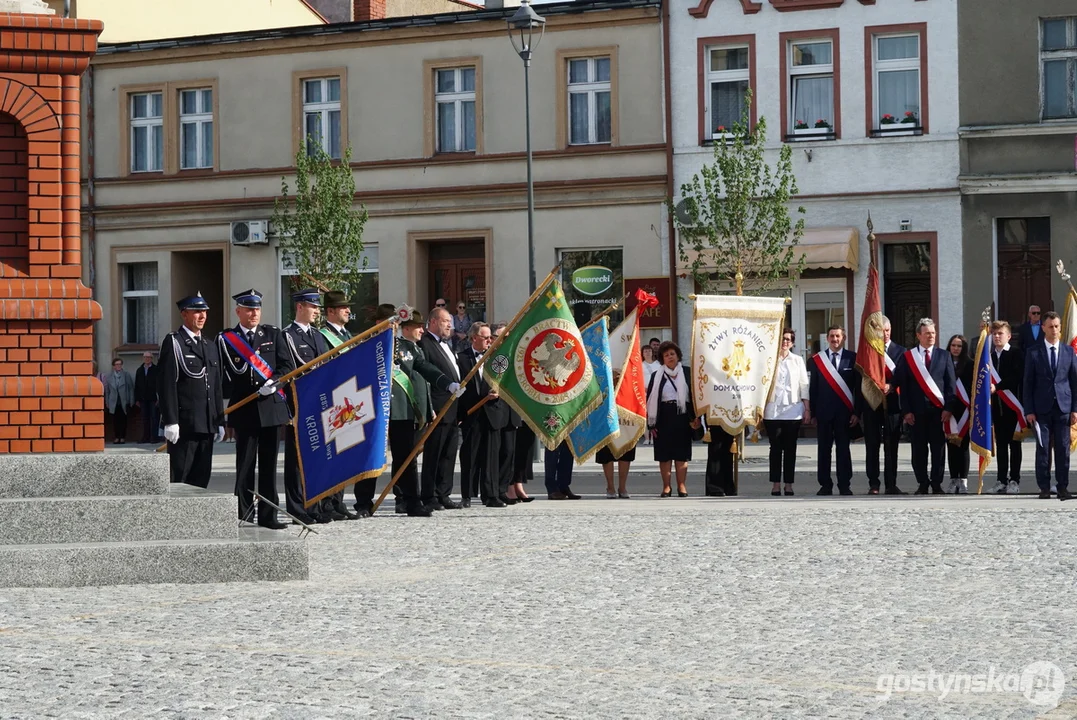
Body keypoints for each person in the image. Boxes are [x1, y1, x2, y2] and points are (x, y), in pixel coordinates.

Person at [216, 288, 293, 529]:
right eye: (249, 309)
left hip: (270, 408)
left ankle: (269, 516)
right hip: (244, 410)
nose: (254, 313)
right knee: (245, 465)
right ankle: (244, 513)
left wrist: (275, 382)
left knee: (269, 466)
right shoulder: (227, 339)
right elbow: (221, 376)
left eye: (257, 309)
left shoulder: (273, 333)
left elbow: (286, 366)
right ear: (238, 311)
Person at [381, 304, 459, 517]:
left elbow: (425, 370)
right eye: (417, 326)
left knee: (407, 456)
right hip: (389, 409)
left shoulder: (413, 349)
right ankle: (366, 502)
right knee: (382, 456)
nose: (421, 330)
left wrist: (446, 383)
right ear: (405, 328)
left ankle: (411, 500)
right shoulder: (390, 345)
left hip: (407, 411)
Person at [157, 292, 225, 489]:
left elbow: (215, 387)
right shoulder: (174, 342)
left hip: (207, 422)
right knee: (180, 477)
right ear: (184, 314)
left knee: (201, 477)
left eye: (204, 311)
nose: (202, 316)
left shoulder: (209, 346)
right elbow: (166, 384)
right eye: (197, 312)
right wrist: (170, 421)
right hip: (185, 424)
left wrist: (219, 420)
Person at [282, 288, 333, 524]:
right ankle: (296, 508)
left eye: (318, 307)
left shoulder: (317, 336)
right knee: (296, 462)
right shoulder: (287, 336)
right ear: (300, 307)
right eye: (313, 307)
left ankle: (314, 506)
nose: (316, 311)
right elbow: (288, 373)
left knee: (316, 459)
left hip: (319, 406)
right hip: (299, 406)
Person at [893, 318, 957, 495]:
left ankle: (936, 483)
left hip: (938, 412)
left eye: (933, 333)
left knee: (938, 450)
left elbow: (951, 385)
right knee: (918, 451)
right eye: (927, 333)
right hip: (916, 412)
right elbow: (903, 387)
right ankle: (922, 483)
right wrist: (906, 411)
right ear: (918, 335)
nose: (931, 336)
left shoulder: (944, 356)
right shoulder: (908, 357)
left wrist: (949, 408)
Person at [315, 290, 361, 520]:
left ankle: (339, 501)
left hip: (348, 400)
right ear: (330, 311)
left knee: (345, 453)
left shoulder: (347, 334)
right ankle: (326, 503)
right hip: (333, 401)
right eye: (344, 308)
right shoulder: (323, 336)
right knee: (332, 453)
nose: (348, 311)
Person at [1022, 310, 1077, 500]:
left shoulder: (1069, 352)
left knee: (1063, 449)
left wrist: (1075, 409)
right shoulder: (1033, 352)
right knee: (1043, 449)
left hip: (1063, 408)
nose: (1054, 330)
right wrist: (1028, 410)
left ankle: (1063, 487)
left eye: (1057, 326)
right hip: (1041, 409)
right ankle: (1044, 487)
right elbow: (1027, 383)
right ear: (1043, 327)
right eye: (1050, 326)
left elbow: (1074, 382)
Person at [457, 322, 511, 507]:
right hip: (472, 412)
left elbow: (507, 382)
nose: (490, 341)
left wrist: (499, 392)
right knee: (470, 457)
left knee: (491, 457)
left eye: (491, 337)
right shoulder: (461, 359)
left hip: (493, 412)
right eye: (486, 337)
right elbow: (460, 386)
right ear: (474, 338)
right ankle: (467, 495)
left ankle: (491, 495)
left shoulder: (497, 358)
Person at [418, 304, 465, 510]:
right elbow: (424, 376)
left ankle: (443, 493)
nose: (450, 325)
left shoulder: (448, 344)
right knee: (434, 453)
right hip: (437, 407)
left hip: (452, 407)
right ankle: (429, 495)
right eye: (446, 321)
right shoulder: (424, 343)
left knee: (448, 453)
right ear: (434, 321)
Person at [808, 325, 861, 496]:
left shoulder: (853, 358)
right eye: (831, 336)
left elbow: (858, 389)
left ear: (843, 338)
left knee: (843, 450)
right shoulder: (817, 360)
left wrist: (857, 413)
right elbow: (813, 388)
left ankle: (844, 484)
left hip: (845, 414)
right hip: (823, 413)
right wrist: (813, 413)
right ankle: (825, 484)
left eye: (838, 336)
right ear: (827, 338)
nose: (834, 339)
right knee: (824, 450)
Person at [860, 316, 907, 494]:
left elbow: (904, 376)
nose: (885, 334)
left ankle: (891, 483)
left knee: (891, 445)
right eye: (881, 331)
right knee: (872, 445)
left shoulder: (901, 351)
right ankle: (873, 483)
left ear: (891, 330)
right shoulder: (869, 351)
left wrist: (892, 385)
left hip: (893, 404)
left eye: (887, 331)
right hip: (872, 404)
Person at [647, 341, 699, 497]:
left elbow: (696, 397)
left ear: (678, 356)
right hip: (663, 416)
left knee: (681, 454)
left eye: (672, 354)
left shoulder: (688, 372)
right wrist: (651, 423)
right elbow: (650, 398)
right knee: (664, 454)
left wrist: (697, 417)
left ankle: (682, 486)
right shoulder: (657, 375)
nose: (670, 357)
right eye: (666, 355)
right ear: (662, 358)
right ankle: (666, 487)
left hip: (683, 416)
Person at [763, 328, 809, 496]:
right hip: (772, 410)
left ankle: (788, 484)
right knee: (775, 448)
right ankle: (775, 483)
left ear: (793, 342)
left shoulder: (797, 360)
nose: (785, 342)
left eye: (788, 339)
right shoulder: (769, 360)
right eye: (783, 339)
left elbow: (804, 384)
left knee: (790, 448)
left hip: (793, 409)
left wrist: (807, 408)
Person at [989, 321, 1025, 494]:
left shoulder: (1016, 353)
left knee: (1014, 444)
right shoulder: (989, 356)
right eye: (994, 333)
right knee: (1001, 445)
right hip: (997, 407)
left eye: (1000, 333)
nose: (997, 336)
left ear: (1008, 336)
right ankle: (1001, 479)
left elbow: (1016, 376)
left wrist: (998, 387)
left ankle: (1014, 480)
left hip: (1013, 406)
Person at [945, 334, 972, 494]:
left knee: (963, 446)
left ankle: (963, 480)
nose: (956, 348)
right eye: (953, 345)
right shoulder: (943, 361)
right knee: (951, 446)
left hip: (964, 410)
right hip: (949, 410)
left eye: (959, 346)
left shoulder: (970, 364)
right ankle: (953, 478)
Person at [104, 357, 135, 444]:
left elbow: (130, 388)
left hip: (123, 401)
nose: (118, 366)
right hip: (114, 401)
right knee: (115, 420)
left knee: (123, 420)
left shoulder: (126, 375)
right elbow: (107, 391)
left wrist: (131, 400)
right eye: (117, 364)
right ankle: (116, 437)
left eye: (120, 364)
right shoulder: (109, 376)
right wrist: (107, 402)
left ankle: (122, 437)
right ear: (113, 366)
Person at [133, 351, 160, 443]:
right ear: (143, 358)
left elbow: (159, 385)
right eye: (145, 357)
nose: (147, 359)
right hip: (142, 398)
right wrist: (136, 399)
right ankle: (145, 437)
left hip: (153, 398)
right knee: (145, 418)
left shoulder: (156, 369)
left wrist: (158, 398)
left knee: (154, 418)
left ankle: (154, 437)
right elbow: (136, 385)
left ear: (152, 359)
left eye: (149, 357)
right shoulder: (139, 370)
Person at [641, 345, 660, 445]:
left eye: (649, 351)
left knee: (655, 415)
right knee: (645, 416)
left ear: (652, 352)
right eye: (645, 351)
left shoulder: (658, 365)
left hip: (656, 393)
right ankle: (647, 437)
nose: (647, 353)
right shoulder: (640, 365)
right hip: (644, 393)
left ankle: (654, 437)